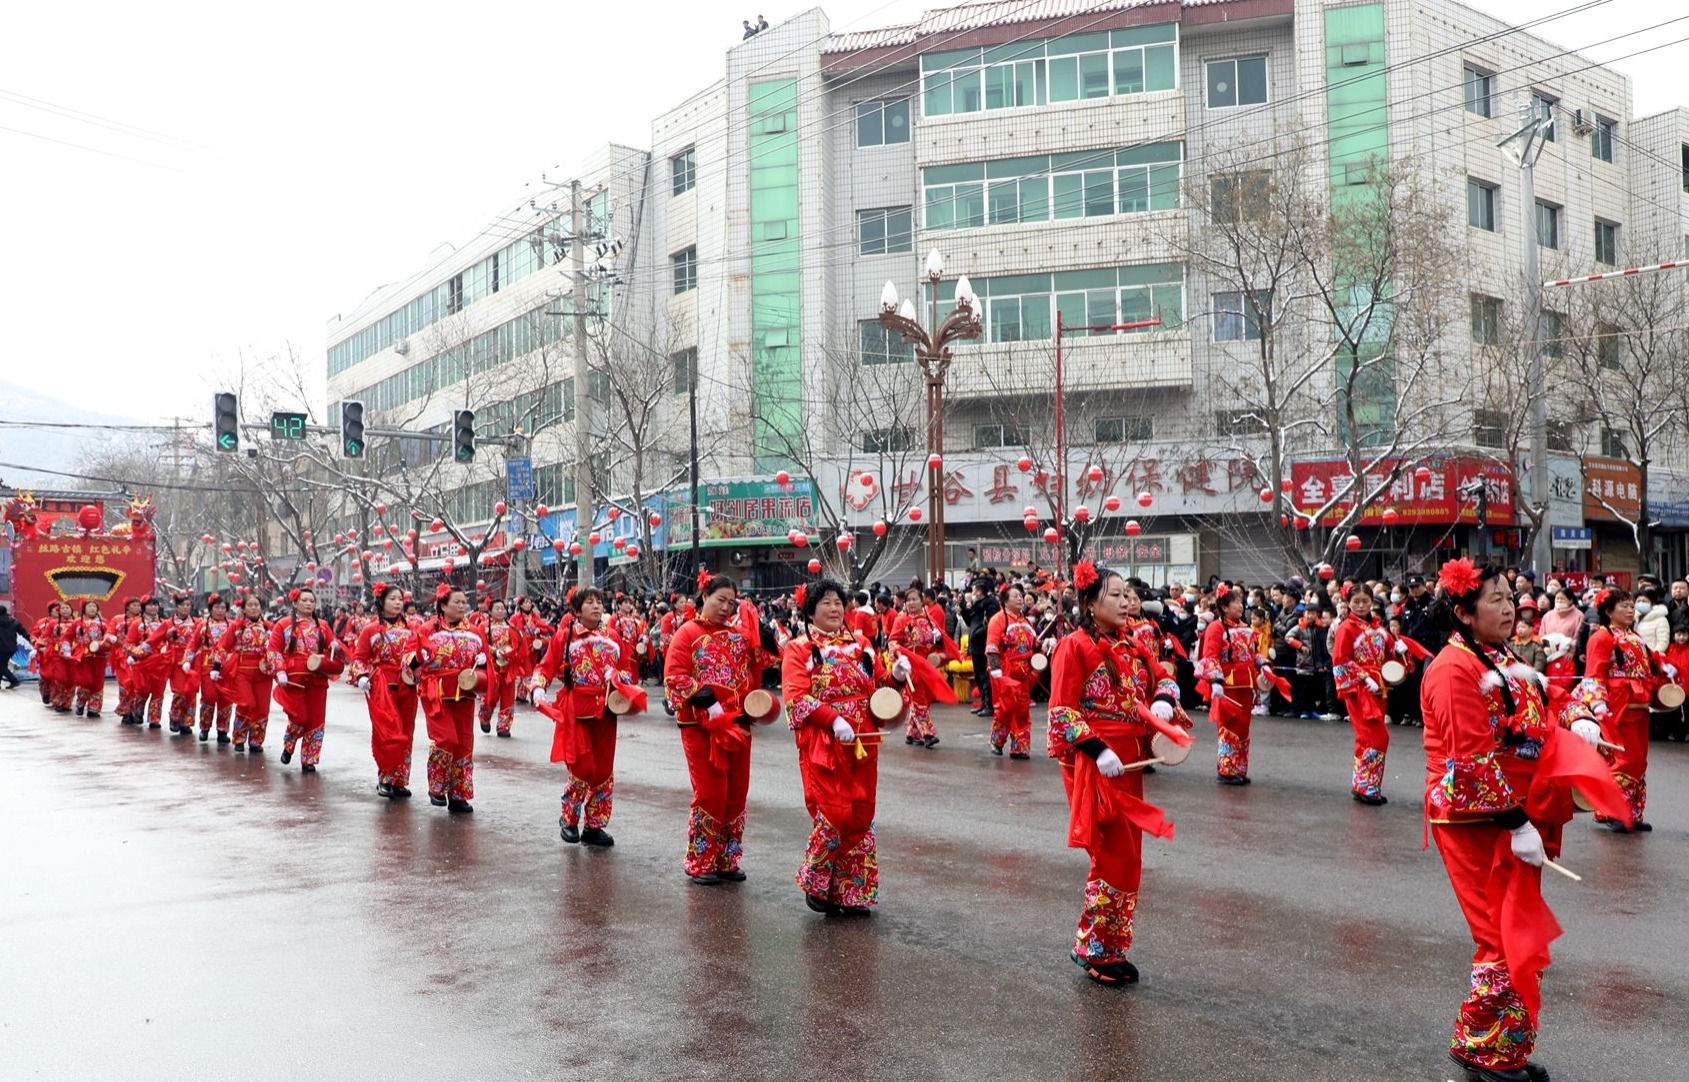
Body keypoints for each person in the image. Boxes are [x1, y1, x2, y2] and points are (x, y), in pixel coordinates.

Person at [1420, 558, 1617, 1082]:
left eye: (1510, 597)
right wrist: (1516, 823)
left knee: (1518, 931)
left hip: (1511, 812)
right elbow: (1472, 763)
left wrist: (1578, 719)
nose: (1509, 608)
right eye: (1496, 600)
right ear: (1463, 612)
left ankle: (1500, 1052)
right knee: (1501, 935)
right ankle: (1483, 1048)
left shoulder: (1500, 654)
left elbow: (1540, 709)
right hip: (1472, 819)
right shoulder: (1452, 669)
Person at [1047, 561, 1184, 986]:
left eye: (1128, 594)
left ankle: (1111, 948)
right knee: (1111, 854)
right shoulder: (1073, 646)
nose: (1126, 602)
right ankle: (1094, 950)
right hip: (1095, 763)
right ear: (1090, 602)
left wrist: (1162, 697)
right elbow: (1061, 711)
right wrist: (1094, 746)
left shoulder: (1134, 645)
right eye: (1115, 594)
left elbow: (1164, 674)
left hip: (1130, 762)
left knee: (1131, 857)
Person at [783, 578, 906, 915]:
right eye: (826, 602)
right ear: (811, 610)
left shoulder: (862, 644)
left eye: (838, 602)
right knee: (834, 812)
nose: (835, 608)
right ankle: (818, 882)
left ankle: (851, 891)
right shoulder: (799, 648)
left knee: (861, 812)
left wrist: (895, 676)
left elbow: (879, 689)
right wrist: (832, 719)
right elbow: (795, 699)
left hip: (864, 741)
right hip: (825, 741)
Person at [664, 573, 763, 885]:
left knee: (736, 794)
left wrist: (764, 635)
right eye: (720, 599)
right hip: (700, 725)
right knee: (711, 793)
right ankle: (701, 860)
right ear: (703, 596)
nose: (725, 607)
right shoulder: (687, 633)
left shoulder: (739, 635)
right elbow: (675, 676)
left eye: (731, 602)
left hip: (737, 723)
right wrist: (706, 700)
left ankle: (727, 859)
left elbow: (763, 661)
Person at [531, 587, 632, 846]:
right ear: (576, 610)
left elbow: (626, 668)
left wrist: (622, 681)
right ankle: (569, 818)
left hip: (607, 710)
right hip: (577, 709)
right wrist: (539, 688)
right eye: (589, 602)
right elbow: (546, 666)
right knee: (582, 767)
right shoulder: (565, 636)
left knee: (603, 770)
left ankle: (594, 826)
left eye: (599, 601)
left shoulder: (613, 636)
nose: (596, 606)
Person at [1573, 588, 1670, 832]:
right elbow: (1593, 674)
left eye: (1631, 605)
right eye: (1624, 606)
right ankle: (1612, 810)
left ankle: (1631, 813)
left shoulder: (1635, 637)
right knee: (1624, 759)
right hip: (1618, 706)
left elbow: (1651, 664)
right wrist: (1598, 704)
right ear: (1608, 611)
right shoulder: (1602, 637)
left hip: (1639, 705)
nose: (1630, 610)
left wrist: (1665, 669)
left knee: (1639, 761)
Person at [1331, 586, 1419, 805]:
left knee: (1366, 738)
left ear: (1372, 602)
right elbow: (1340, 659)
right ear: (1348, 603)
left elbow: (1391, 657)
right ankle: (1368, 787)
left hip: (1379, 688)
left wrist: (1400, 650)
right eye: (1356, 601)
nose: (1361, 605)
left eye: (1365, 601)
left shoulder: (1380, 629)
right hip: (1360, 689)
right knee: (1376, 736)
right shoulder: (1346, 628)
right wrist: (1362, 677)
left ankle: (1363, 785)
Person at [410, 584, 488, 812]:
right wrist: (418, 658)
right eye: (457, 602)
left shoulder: (475, 631)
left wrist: (483, 662)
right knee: (446, 739)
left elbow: (486, 664)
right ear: (443, 606)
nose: (462, 606)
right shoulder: (427, 629)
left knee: (464, 742)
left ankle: (458, 794)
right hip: (437, 691)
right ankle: (437, 785)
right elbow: (411, 661)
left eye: (465, 602)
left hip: (464, 692)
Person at [352, 584, 421, 799]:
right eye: (393, 598)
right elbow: (359, 658)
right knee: (386, 731)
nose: (398, 602)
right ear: (382, 602)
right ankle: (385, 777)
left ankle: (400, 780)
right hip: (382, 685)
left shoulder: (413, 628)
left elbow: (421, 654)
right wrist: (362, 675)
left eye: (400, 598)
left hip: (407, 684)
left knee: (406, 732)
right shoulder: (370, 629)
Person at [267, 587, 344, 773]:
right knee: (299, 716)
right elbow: (273, 650)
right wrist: (280, 671)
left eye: (312, 601)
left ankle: (309, 758)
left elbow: (332, 647)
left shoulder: (323, 625)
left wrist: (336, 645)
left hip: (317, 676)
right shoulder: (283, 624)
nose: (309, 603)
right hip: (294, 676)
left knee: (316, 719)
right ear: (295, 603)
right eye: (304, 600)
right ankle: (290, 742)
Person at [1195, 586, 1263, 784]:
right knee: (1229, 726)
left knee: (1243, 726)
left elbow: (1254, 654)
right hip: (1228, 685)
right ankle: (1227, 768)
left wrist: (1264, 666)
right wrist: (1215, 680)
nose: (1241, 606)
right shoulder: (1216, 628)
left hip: (1246, 683)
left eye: (1241, 602)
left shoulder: (1246, 628)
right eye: (1236, 602)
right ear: (1225, 607)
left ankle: (1240, 768)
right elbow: (1210, 655)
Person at [885, 584, 956, 747]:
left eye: (914, 599)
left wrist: (938, 637)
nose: (911, 603)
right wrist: (899, 657)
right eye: (908, 600)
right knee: (919, 698)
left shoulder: (929, 619)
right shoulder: (901, 619)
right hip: (910, 664)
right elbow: (893, 641)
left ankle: (912, 733)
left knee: (927, 698)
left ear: (921, 601)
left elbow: (940, 642)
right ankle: (928, 733)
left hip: (927, 665)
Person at [211, 596, 274, 752]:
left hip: (263, 672)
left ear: (261, 608)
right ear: (244, 609)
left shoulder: (269, 627)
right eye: (250, 605)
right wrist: (216, 667)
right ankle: (239, 737)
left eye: (256, 605)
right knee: (246, 703)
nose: (253, 608)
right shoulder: (237, 627)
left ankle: (256, 740)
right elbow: (223, 647)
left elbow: (279, 648)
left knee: (262, 707)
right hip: (242, 670)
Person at [986, 583, 1039, 758]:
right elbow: (992, 646)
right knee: (1005, 709)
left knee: (1022, 711)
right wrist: (996, 671)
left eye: (1020, 596)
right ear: (1005, 600)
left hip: (1023, 674)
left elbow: (1035, 645)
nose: (1019, 598)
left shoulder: (1026, 621)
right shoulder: (998, 619)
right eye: (1015, 596)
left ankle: (1019, 747)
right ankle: (997, 740)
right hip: (1005, 672)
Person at [189, 595, 234, 742]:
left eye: (223, 608)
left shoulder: (232, 625)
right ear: (210, 609)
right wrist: (187, 660)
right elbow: (193, 644)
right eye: (217, 607)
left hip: (227, 666)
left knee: (226, 698)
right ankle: (204, 727)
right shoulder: (203, 626)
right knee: (209, 696)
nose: (220, 611)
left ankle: (223, 730)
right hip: (208, 664)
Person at [124, 597, 171, 728]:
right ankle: (137, 712)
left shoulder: (165, 623)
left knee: (158, 690)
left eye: (155, 605)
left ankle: (154, 718)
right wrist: (137, 654)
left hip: (160, 663)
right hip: (142, 663)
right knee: (142, 689)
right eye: (150, 605)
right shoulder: (137, 623)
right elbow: (128, 644)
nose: (153, 608)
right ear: (144, 607)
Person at [64, 600, 114, 718]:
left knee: (98, 683)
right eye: (89, 606)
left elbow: (109, 634)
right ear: (84, 609)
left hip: (100, 656)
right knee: (86, 680)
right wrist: (66, 649)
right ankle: (81, 701)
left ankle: (94, 708)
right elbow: (67, 637)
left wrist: (109, 639)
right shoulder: (77, 622)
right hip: (83, 657)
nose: (92, 609)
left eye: (94, 606)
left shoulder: (104, 622)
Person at [478, 598, 518, 736]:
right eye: (497, 608)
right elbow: (482, 644)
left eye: (503, 608)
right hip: (492, 666)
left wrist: (511, 652)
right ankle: (485, 716)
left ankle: (504, 726)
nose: (501, 611)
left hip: (508, 665)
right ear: (490, 611)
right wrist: (495, 652)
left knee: (508, 696)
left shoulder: (511, 627)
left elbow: (517, 644)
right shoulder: (483, 626)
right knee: (491, 695)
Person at [162, 594, 201, 736]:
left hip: (193, 661)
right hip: (176, 660)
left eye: (188, 605)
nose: (185, 608)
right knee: (179, 691)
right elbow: (157, 639)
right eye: (183, 605)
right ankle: (175, 717)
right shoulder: (168, 623)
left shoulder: (197, 623)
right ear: (176, 606)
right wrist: (167, 635)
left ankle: (187, 722)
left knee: (191, 691)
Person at [961, 580, 997, 716]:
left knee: (984, 675)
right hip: (975, 643)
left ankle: (989, 704)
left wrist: (977, 633)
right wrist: (964, 609)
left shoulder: (990, 604)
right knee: (978, 675)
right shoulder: (976, 604)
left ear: (980, 591)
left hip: (984, 643)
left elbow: (991, 623)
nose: (973, 593)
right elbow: (970, 622)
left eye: (975, 590)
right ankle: (984, 702)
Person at [0, 603, 26, 689]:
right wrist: (32, 641)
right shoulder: (14, 621)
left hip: (1, 647)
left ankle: (14, 680)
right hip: (11, 648)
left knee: (1, 665)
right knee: (2, 664)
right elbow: (23, 632)